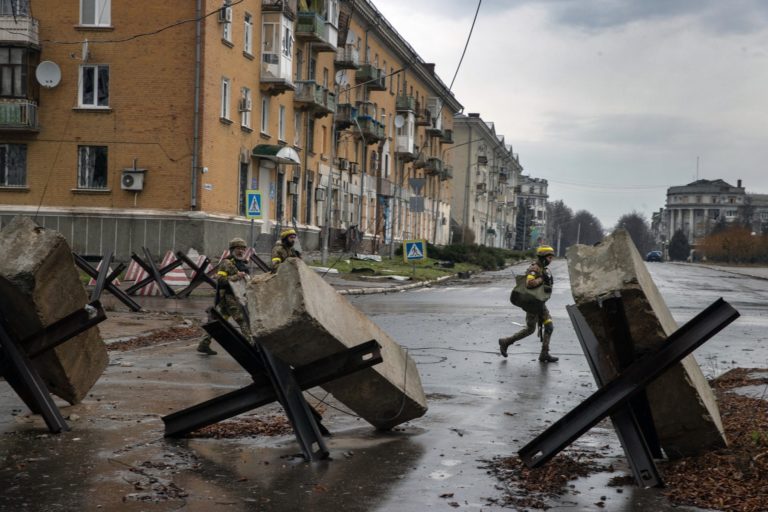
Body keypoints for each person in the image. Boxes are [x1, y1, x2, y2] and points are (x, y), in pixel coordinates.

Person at [498, 245, 559, 363]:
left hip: (539, 303)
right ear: (542, 257)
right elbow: (529, 283)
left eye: (552, 258)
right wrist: (542, 279)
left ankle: (544, 353)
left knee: (549, 326)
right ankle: (505, 342)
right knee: (530, 329)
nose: (551, 260)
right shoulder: (535, 268)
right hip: (532, 303)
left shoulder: (544, 268)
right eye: (549, 257)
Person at [197, 237, 252, 355]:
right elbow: (221, 280)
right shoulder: (226, 263)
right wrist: (236, 277)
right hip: (229, 298)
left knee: (217, 322)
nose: (241, 251)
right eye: (238, 248)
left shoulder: (242, 263)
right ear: (232, 250)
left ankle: (203, 344)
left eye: (243, 249)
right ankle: (253, 346)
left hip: (237, 297)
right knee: (243, 320)